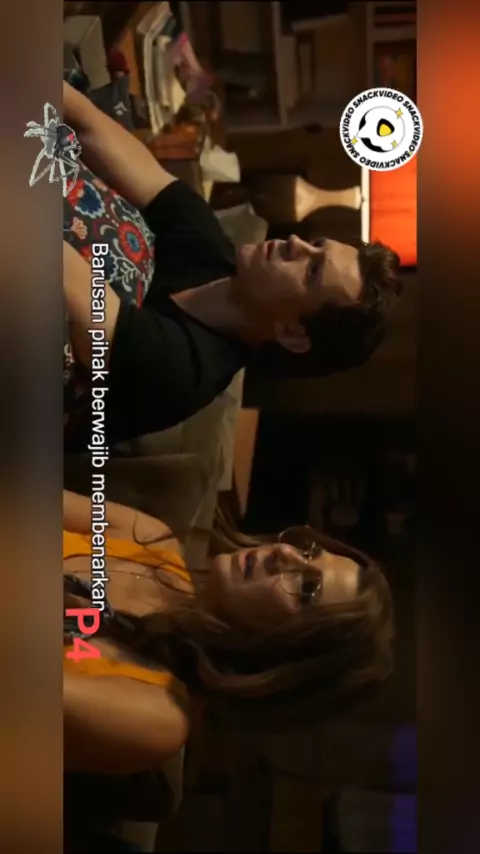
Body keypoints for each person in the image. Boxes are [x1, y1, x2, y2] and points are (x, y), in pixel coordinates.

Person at [63, 82, 402, 447]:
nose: (295, 242)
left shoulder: (182, 371)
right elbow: (88, 124)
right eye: (316, 244)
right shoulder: (212, 250)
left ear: (292, 332)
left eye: (312, 270)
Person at [63, 490, 394, 776]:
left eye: (307, 588)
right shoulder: (150, 536)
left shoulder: (158, 717)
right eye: (308, 551)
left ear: (290, 654)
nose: (284, 553)